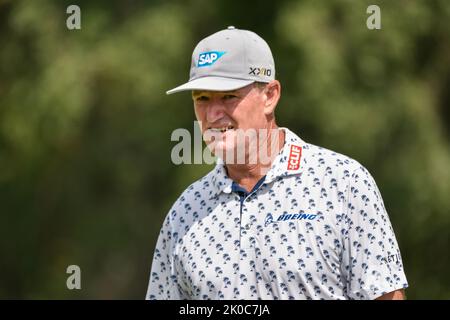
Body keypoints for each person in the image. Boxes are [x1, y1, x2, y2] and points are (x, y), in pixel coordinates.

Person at [146, 26, 408, 300]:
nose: (213, 113)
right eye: (202, 98)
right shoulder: (184, 213)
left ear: (270, 96)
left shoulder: (343, 183)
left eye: (228, 96)